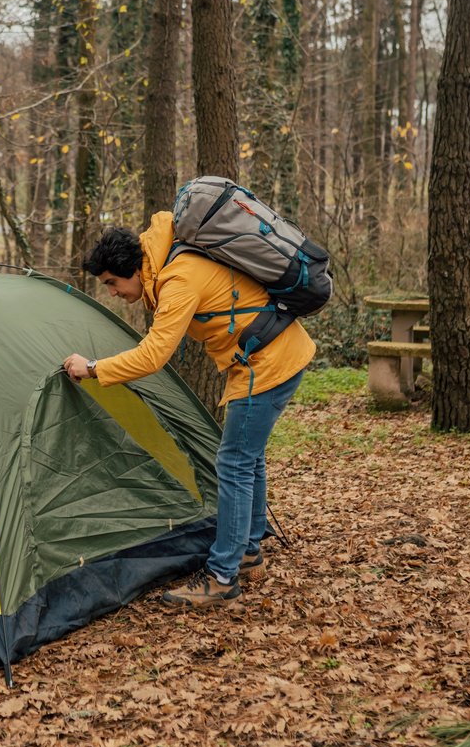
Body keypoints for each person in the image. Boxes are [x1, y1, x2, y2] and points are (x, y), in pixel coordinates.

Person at [62, 212, 315, 608]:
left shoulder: (178, 278)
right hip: (271, 353)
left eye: (112, 282)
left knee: (233, 462)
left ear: (130, 269)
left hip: (268, 362)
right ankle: (247, 551)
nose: (112, 292)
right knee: (248, 459)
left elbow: (153, 356)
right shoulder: (170, 262)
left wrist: (92, 368)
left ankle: (221, 577)